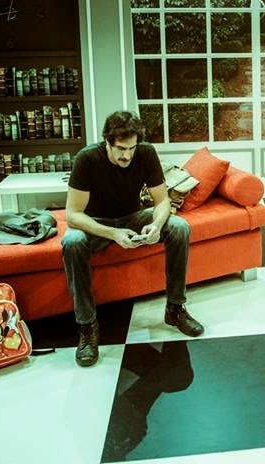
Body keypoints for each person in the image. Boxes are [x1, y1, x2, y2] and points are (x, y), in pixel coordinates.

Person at [61, 111, 204, 368]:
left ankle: (175, 309)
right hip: (96, 223)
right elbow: (72, 215)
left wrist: (156, 225)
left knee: (179, 227)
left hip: (132, 217)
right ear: (107, 142)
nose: (127, 155)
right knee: (72, 242)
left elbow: (162, 201)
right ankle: (87, 326)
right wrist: (113, 233)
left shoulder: (146, 153)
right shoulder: (87, 158)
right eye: (120, 149)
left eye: (131, 148)